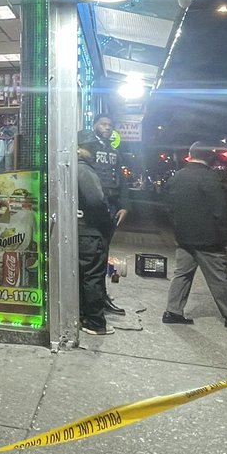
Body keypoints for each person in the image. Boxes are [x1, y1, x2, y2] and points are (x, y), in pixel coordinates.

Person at [163, 142, 227, 328]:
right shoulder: (209, 177)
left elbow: (169, 208)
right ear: (209, 157)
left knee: (182, 274)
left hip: (183, 236)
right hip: (209, 239)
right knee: (219, 279)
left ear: (190, 154)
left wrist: (178, 228)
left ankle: (173, 311)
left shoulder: (176, 177)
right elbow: (220, 210)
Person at [78, 114, 129, 316]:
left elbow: (122, 179)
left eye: (110, 125)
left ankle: (100, 298)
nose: (107, 128)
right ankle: (94, 301)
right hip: (94, 206)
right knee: (96, 256)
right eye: (103, 124)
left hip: (112, 203)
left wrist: (125, 205)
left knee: (103, 252)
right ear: (95, 126)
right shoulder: (89, 148)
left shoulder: (114, 150)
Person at [77, 132, 115, 335]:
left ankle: (83, 316)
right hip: (90, 231)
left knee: (82, 276)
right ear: (78, 147)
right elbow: (97, 202)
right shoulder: (84, 171)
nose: (92, 152)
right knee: (93, 277)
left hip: (78, 229)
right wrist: (107, 223)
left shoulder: (71, 167)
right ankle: (94, 322)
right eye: (88, 148)